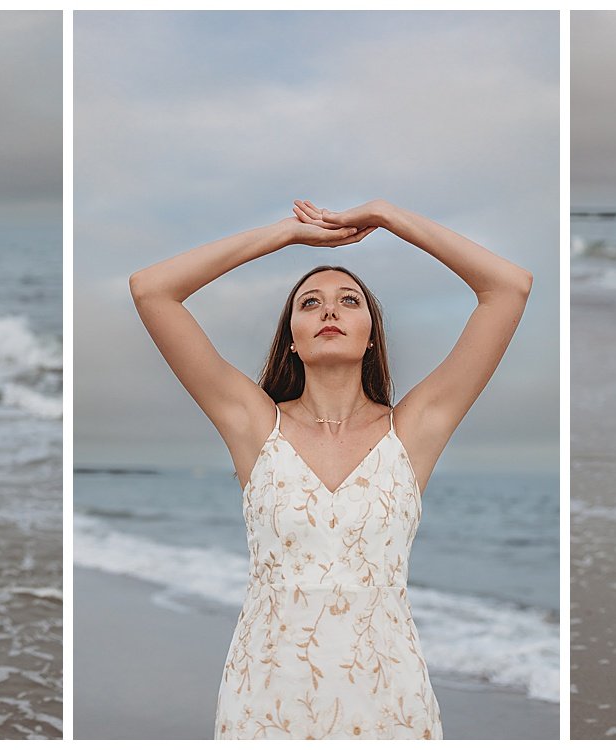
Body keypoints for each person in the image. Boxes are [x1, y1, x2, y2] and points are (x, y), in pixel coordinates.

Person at [130, 199, 531, 739]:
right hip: (267, 698)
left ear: (371, 336)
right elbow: (152, 289)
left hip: (390, 699)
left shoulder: (412, 432)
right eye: (309, 303)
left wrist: (390, 217)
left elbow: (509, 287)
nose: (329, 311)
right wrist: (288, 236)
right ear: (292, 340)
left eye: (349, 301)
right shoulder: (253, 426)